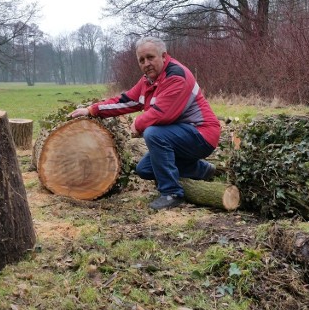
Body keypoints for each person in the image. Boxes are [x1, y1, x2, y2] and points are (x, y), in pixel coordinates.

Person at [69, 36, 221, 210]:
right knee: (145, 169)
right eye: (141, 60)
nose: (146, 63)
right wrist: (91, 110)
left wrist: (137, 124)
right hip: (180, 137)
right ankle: (201, 170)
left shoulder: (176, 76)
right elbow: (126, 100)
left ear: (164, 56)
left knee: (153, 133)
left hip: (202, 135)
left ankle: (172, 193)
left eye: (150, 57)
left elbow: (162, 114)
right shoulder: (148, 81)